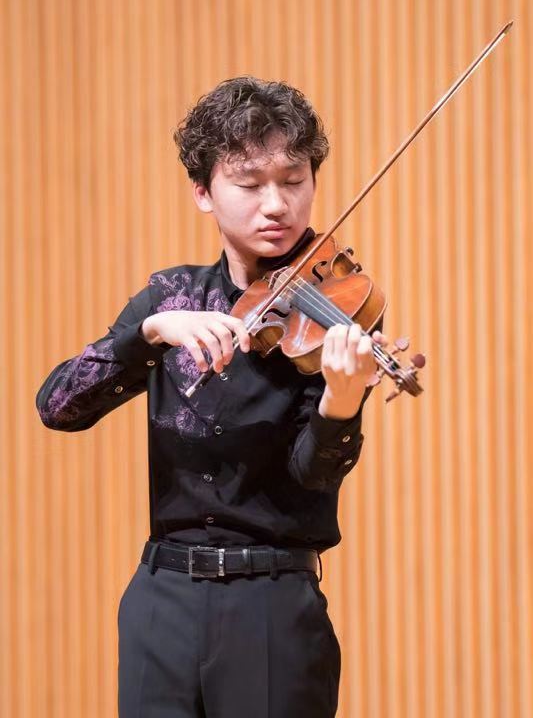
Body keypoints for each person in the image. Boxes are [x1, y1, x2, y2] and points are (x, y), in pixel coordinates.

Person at [36, 76, 384, 718]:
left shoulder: (331, 309)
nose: (276, 204)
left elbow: (312, 475)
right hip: (161, 597)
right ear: (203, 191)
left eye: (294, 180)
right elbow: (58, 406)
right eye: (250, 185)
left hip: (272, 602)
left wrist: (341, 401)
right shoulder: (171, 298)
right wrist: (148, 334)